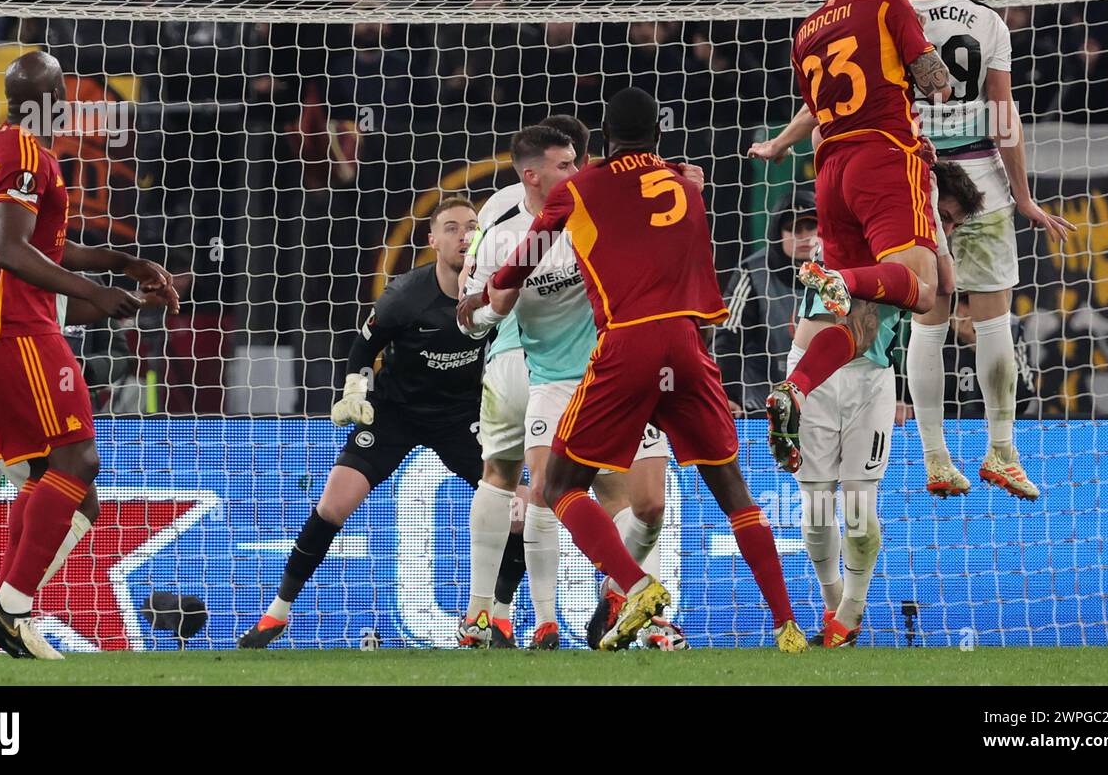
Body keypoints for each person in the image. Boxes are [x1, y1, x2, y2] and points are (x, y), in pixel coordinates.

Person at [482, 87, 807, 653]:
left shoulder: (582, 187)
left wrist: (485, 295)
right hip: (689, 344)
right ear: (657, 135)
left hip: (627, 344)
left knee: (558, 486)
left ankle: (634, 586)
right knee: (733, 491)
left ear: (601, 142)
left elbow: (525, 258)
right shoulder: (686, 186)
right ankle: (787, 625)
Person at [0, 51, 176, 658]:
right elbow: (11, 248)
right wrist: (95, 294)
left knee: (50, 477)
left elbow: (49, 244)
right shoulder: (25, 154)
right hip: (17, 327)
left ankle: (4, 606)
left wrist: (121, 263)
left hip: (4, 324)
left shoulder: (2, 145)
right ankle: (10, 609)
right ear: (53, 101)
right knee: (79, 462)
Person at [238, 199, 525, 648]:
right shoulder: (405, 295)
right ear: (432, 241)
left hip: (462, 417)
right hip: (396, 412)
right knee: (334, 504)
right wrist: (355, 390)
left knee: (519, 511)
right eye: (450, 228)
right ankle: (276, 614)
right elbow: (361, 351)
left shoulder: (500, 295)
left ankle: (498, 618)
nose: (463, 235)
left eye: (472, 226)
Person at [458, 123, 696, 649]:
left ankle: (618, 596)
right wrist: (486, 309)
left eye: (578, 161)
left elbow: (655, 194)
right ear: (533, 174)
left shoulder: (602, 207)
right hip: (543, 374)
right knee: (533, 486)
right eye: (566, 164)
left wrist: (683, 179)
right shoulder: (501, 231)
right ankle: (524, 618)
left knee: (647, 504)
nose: (579, 170)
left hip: (618, 373)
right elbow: (471, 310)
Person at [0, 235, 172, 658]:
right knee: (79, 498)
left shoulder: (4, 256)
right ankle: (10, 607)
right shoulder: (34, 259)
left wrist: (129, 295)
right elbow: (71, 299)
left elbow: (59, 305)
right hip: (8, 391)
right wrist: (124, 281)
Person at [887, 0, 1073, 499]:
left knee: (929, 323)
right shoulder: (988, 20)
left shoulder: (884, 20)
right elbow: (1005, 119)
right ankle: (1002, 450)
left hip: (913, 181)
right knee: (993, 321)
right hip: (981, 178)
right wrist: (1024, 196)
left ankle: (936, 457)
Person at [760, 0, 952, 475]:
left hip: (831, 174)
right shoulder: (889, 6)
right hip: (886, 158)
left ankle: (794, 388)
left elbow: (818, 112)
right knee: (921, 289)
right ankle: (843, 278)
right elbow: (935, 79)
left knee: (861, 321)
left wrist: (777, 144)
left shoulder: (804, 34)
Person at [796, 160, 985, 649]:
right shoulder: (866, 208)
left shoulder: (921, 246)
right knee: (815, 510)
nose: (945, 228)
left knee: (858, 508)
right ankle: (833, 598)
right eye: (942, 214)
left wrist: (935, 229)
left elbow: (943, 283)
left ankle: (850, 614)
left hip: (870, 380)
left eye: (954, 223)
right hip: (813, 368)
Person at [713, 189, 818, 416]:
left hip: (823, 402)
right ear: (778, 233)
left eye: (810, 227)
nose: (804, 236)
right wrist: (728, 394)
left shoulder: (838, 274)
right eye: (793, 228)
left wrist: (899, 396)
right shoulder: (752, 272)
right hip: (762, 404)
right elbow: (728, 339)